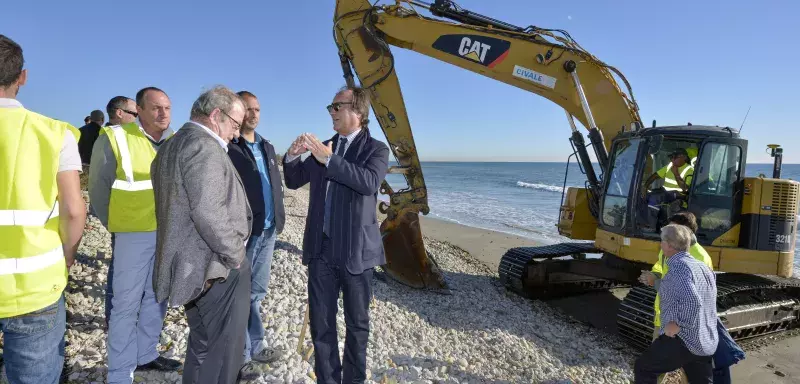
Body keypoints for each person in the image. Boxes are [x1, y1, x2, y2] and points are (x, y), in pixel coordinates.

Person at [284, 85, 390, 383]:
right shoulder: (326, 145)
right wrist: (292, 157)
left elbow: (369, 183)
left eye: (336, 106)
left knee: (357, 326)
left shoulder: (376, 149)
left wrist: (329, 159)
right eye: (330, 107)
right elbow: (293, 181)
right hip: (322, 249)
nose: (331, 112)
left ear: (357, 111)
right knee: (321, 325)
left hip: (356, 252)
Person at [0, 33, 86, 384]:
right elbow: (74, 210)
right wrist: (67, 254)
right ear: (22, 77)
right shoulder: (54, 133)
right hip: (33, 287)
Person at [151, 86, 252, 384]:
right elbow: (207, 211)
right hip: (215, 266)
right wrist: (236, 255)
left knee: (203, 345)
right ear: (215, 115)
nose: (235, 134)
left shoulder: (172, 144)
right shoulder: (203, 147)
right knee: (222, 352)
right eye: (235, 125)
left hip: (193, 267)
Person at [88, 87, 181, 383]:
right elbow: (99, 190)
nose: (163, 113)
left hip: (167, 234)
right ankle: (119, 373)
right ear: (138, 110)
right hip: (132, 235)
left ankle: (145, 355)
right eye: (155, 108)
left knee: (157, 296)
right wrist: (117, 225)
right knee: (126, 304)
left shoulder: (176, 141)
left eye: (167, 107)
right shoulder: (116, 137)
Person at [226, 91, 287, 377]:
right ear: (237, 111)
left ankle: (257, 345)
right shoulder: (228, 147)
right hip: (244, 234)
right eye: (248, 109)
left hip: (269, 230)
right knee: (238, 295)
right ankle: (238, 358)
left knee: (256, 293)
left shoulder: (267, 146)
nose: (254, 114)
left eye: (258, 109)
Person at [634, 224, 718, 383]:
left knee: (643, 367)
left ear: (669, 246)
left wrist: (677, 324)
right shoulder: (701, 267)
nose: (660, 244)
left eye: (662, 241)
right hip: (704, 341)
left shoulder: (679, 267)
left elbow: (693, 302)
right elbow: (709, 298)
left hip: (683, 340)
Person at [91, 95, 138, 329]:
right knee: (120, 271)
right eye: (135, 114)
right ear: (119, 113)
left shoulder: (130, 137)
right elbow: (98, 188)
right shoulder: (109, 138)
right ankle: (114, 319)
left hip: (139, 220)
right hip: (123, 221)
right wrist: (112, 222)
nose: (139, 119)